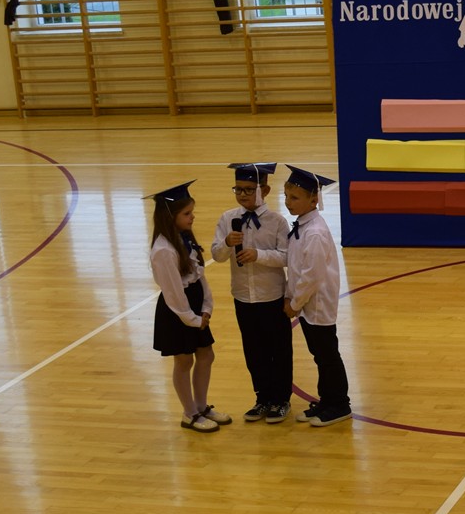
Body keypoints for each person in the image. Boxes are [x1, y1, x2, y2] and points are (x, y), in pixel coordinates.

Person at [210, 162, 293, 424]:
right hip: (243, 297)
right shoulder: (228, 219)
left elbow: (287, 257)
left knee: (278, 350)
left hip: (271, 296)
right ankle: (263, 397)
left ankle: (281, 399)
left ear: (264, 190)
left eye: (249, 189)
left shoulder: (277, 222)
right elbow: (216, 255)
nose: (242, 194)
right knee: (254, 350)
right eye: (238, 189)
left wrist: (259, 255)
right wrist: (227, 243)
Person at [147, 180, 231, 432]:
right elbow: (173, 293)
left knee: (206, 355)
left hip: (194, 305)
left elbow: (199, 276)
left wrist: (207, 306)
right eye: (187, 213)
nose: (192, 217)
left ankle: (202, 406)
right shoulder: (163, 250)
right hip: (178, 312)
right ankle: (190, 413)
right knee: (184, 361)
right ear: (170, 216)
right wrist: (192, 319)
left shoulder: (184, 238)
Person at [282, 165, 352, 427]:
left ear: (314, 200)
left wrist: (295, 302)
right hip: (307, 304)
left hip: (317, 304)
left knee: (327, 355)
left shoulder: (315, 232)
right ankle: (327, 400)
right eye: (286, 196)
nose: (288, 202)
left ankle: (340, 404)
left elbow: (311, 275)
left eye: (295, 198)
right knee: (320, 355)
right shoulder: (303, 226)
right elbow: (296, 266)